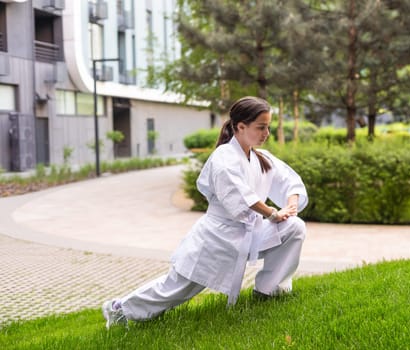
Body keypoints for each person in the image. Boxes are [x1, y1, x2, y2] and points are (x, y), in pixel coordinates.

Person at [102, 96, 308, 329]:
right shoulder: (223, 157)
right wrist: (272, 213)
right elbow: (241, 196)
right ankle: (120, 309)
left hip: (250, 234)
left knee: (294, 227)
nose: (266, 133)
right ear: (241, 126)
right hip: (216, 239)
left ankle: (270, 291)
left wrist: (289, 207)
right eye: (261, 127)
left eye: (268, 127)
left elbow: (290, 181)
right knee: (177, 289)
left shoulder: (262, 158)